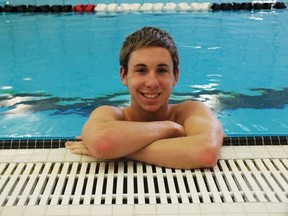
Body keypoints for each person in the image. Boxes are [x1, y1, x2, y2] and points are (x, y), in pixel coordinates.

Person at [65, 26, 225, 169]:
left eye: (162, 70)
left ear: (175, 76)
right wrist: (169, 127)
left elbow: (206, 153)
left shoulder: (191, 111)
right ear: (124, 75)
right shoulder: (109, 114)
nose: (152, 83)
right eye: (141, 70)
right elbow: (102, 143)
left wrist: (119, 150)